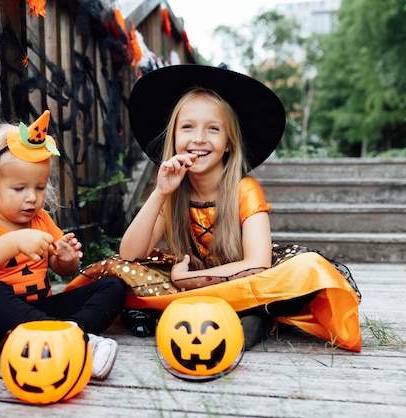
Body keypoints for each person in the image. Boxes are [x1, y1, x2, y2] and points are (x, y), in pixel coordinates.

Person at [67, 64, 361, 352]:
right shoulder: (171, 192)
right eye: (187, 127)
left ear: (229, 142)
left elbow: (257, 264)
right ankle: (235, 314)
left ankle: (217, 315)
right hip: (186, 282)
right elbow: (131, 255)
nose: (198, 138)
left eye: (213, 129)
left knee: (306, 268)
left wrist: (187, 280)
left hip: (239, 279)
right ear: (174, 138)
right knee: (116, 270)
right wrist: (159, 193)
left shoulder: (244, 189)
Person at [0, 110, 126, 379]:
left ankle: (71, 334)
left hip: (42, 310)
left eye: (40, 188)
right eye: (19, 189)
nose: (31, 198)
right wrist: (14, 241)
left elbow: (63, 269)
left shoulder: (41, 220)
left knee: (113, 285)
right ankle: (73, 341)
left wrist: (66, 258)